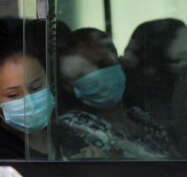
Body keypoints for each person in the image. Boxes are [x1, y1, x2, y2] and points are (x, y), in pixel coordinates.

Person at [57, 28, 179, 160]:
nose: (98, 76)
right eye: (82, 74)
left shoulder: (141, 119)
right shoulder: (73, 125)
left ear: (119, 62)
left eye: (104, 64)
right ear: (68, 85)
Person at [0, 38, 54, 159]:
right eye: (13, 95)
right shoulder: (4, 153)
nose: (30, 102)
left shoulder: (61, 128)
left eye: (36, 87)